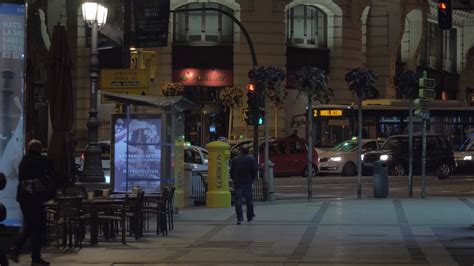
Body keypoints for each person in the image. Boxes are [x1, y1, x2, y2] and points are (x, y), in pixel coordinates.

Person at [8, 139, 53, 265]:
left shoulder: (24, 160)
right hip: (34, 199)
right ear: (38, 150)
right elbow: (49, 170)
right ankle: (18, 250)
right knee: (34, 227)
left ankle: (32, 256)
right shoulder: (37, 161)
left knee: (31, 226)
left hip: (24, 198)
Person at [230, 145, 257, 225]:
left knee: (238, 200)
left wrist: (234, 179)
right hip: (248, 181)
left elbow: (232, 171)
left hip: (238, 182)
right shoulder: (252, 159)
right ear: (248, 151)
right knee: (249, 200)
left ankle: (240, 218)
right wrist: (252, 179)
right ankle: (250, 217)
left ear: (241, 151)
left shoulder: (235, 159)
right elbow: (254, 171)